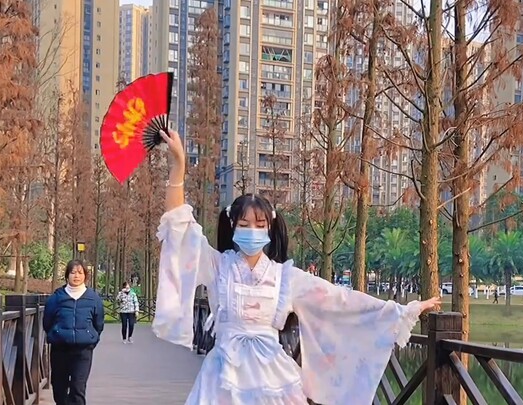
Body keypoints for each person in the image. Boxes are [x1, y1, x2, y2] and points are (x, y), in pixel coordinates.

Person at [152, 130, 441, 405]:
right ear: (232, 226)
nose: (252, 230)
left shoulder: (285, 278)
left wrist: (403, 310)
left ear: (270, 228)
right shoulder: (217, 266)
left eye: (259, 224)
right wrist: (178, 166)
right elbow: (180, 229)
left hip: (273, 376)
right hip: (222, 377)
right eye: (244, 224)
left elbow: (340, 301)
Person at [43, 260, 105, 405]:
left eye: (80, 273)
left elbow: (99, 323)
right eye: (72, 272)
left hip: (83, 351)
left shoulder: (93, 298)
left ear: (85, 276)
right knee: (59, 388)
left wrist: (91, 338)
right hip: (60, 349)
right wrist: (56, 333)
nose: (76, 276)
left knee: (78, 387)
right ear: (67, 275)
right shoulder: (56, 298)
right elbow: (47, 321)